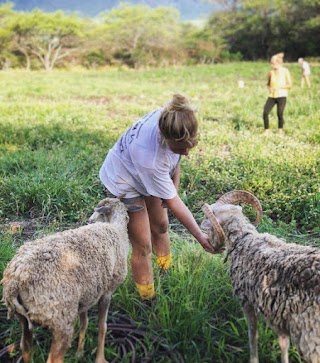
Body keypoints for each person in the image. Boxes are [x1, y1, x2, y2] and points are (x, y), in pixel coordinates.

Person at [99, 94, 215, 301]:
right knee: (143, 245)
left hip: (147, 172)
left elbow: (176, 160)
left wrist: (174, 188)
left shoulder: (174, 118)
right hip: (124, 180)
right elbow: (173, 202)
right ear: (164, 138)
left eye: (191, 145)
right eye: (181, 148)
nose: (187, 153)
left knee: (161, 226)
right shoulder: (150, 158)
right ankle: (148, 299)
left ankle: (164, 272)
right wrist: (200, 237)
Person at [263, 53, 292, 134]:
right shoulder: (270, 73)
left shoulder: (285, 71)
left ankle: (280, 130)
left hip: (282, 95)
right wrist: (269, 88)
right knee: (265, 112)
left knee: (279, 113)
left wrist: (279, 87)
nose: (272, 65)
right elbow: (268, 84)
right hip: (272, 96)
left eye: (274, 63)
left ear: (279, 63)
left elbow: (289, 85)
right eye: (271, 63)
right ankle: (266, 130)